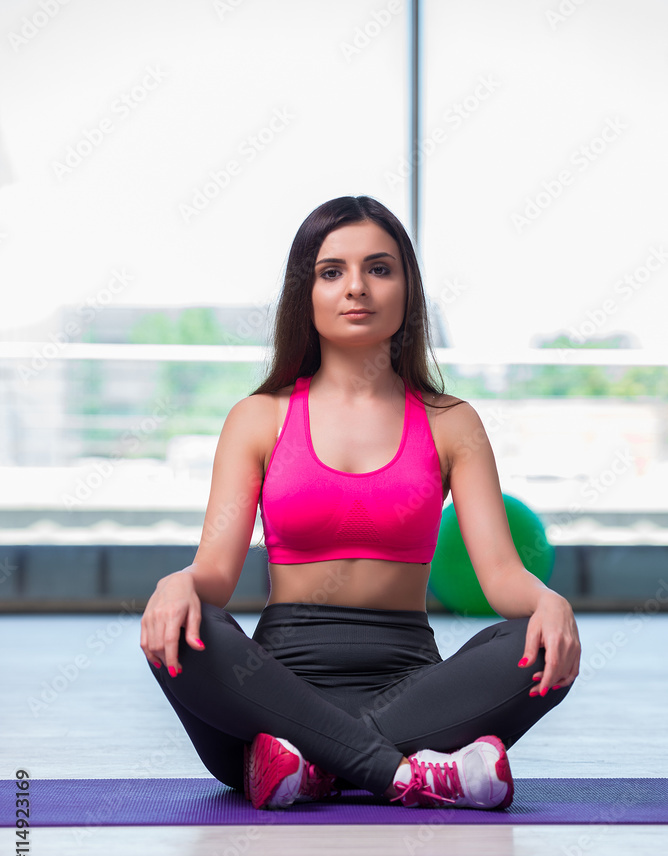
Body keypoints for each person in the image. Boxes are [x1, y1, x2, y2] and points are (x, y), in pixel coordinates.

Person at [140, 194, 581, 812]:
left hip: (415, 693)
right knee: (184, 629)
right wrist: (179, 583)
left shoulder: (452, 423)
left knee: (535, 649)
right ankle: (406, 776)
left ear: (407, 290)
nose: (357, 288)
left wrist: (548, 601)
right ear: (307, 293)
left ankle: (308, 768)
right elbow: (213, 572)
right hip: (269, 693)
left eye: (379, 268)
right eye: (332, 272)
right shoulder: (257, 419)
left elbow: (503, 576)